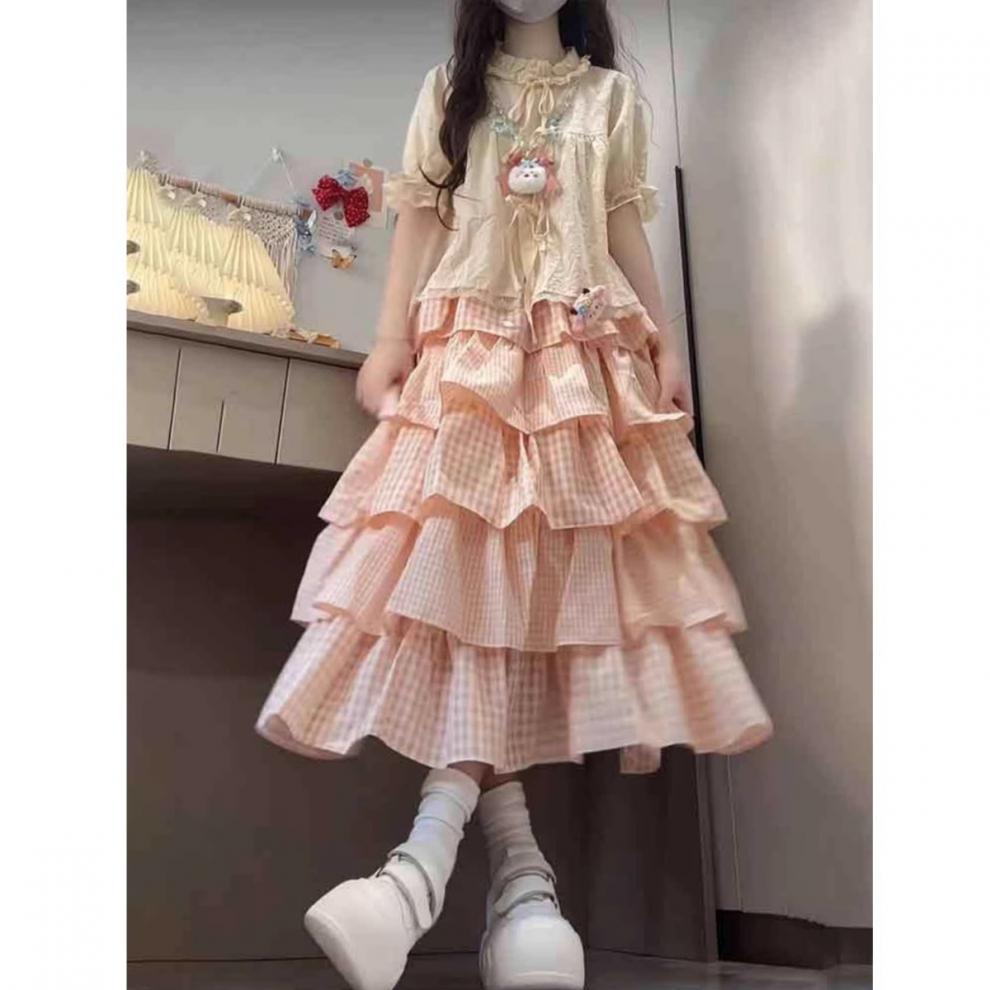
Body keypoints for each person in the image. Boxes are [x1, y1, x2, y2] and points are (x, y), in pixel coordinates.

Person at [256, 2, 772, 988]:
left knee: (534, 592)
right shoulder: (451, 90)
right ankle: (519, 887)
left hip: (580, 356)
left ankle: (428, 868)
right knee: (469, 592)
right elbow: (420, 214)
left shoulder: (611, 97)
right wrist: (392, 342)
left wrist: (667, 344)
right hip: (472, 354)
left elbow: (620, 223)